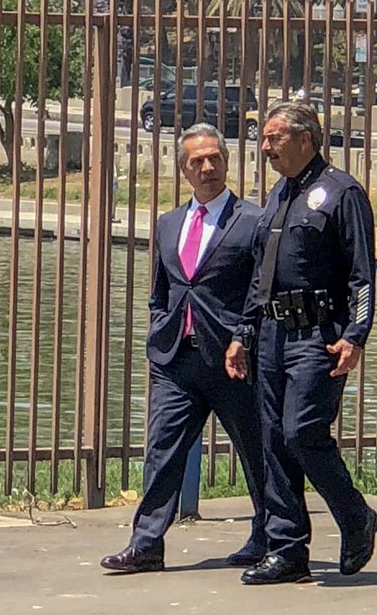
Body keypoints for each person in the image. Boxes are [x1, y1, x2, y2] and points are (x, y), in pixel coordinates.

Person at [101, 123, 268, 574]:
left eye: (215, 158)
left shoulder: (253, 222)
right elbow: (163, 290)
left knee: (256, 450)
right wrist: (159, 327)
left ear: (228, 163)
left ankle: (267, 533)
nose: (208, 167)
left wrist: (244, 339)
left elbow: (259, 292)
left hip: (233, 360)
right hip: (176, 358)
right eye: (198, 161)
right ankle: (147, 544)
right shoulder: (168, 223)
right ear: (184, 169)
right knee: (162, 449)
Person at [226, 101, 377, 585]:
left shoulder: (341, 193)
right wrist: (242, 334)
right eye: (264, 138)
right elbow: (260, 276)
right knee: (273, 441)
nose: (265, 147)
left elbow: (363, 277)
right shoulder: (278, 193)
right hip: (271, 335)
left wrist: (355, 336)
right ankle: (287, 549)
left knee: (302, 434)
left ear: (305, 139)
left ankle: (355, 517)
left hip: (318, 337)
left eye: (273, 138)